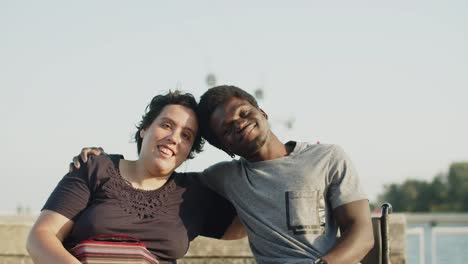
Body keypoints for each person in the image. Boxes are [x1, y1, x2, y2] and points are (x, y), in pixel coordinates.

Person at [74, 85, 374, 264]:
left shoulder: (327, 157)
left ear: (262, 113)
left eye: (243, 113)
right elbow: (159, 178)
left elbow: (361, 233)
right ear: (226, 148)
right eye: (227, 129)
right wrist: (105, 160)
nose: (239, 124)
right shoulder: (224, 177)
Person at [26, 91, 242, 264]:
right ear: (144, 129)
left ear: (189, 151)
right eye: (166, 125)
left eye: (186, 135)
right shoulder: (96, 168)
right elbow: (41, 236)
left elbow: (253, 219)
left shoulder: (193, 193)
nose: (173, 138)